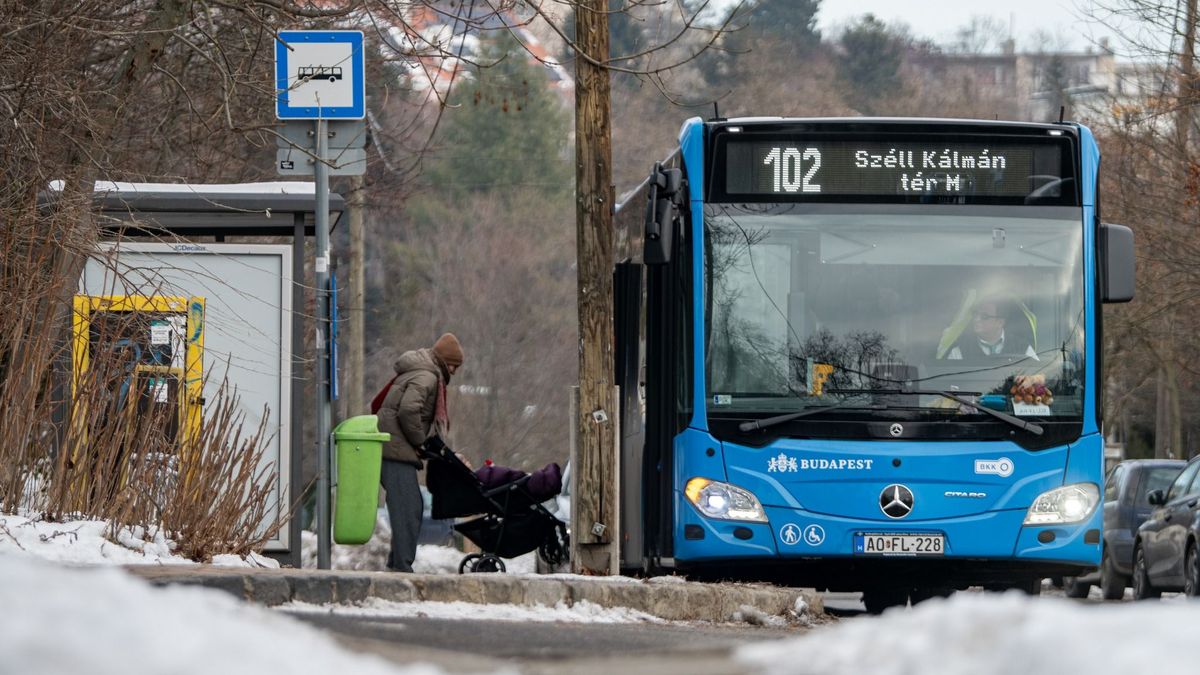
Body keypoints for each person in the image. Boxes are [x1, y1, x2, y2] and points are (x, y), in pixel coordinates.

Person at [376, 333, 464, 572]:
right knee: (408, 507)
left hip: (394, 447)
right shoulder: (427, 376)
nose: (455, 371)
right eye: (454, 365)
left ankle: (398, 562)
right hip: (395, 449)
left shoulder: (420, 371)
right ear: (444, 361)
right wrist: (421, 442)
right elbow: (407, 411)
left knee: (406, 505)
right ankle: (401, 567)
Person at [944, 298, 1037, 361]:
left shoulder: (1023, 348)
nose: (976, 319)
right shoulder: (959, 351)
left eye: (984, 316)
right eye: (976, 314)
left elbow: (1038, 378)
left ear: (1000, 322)